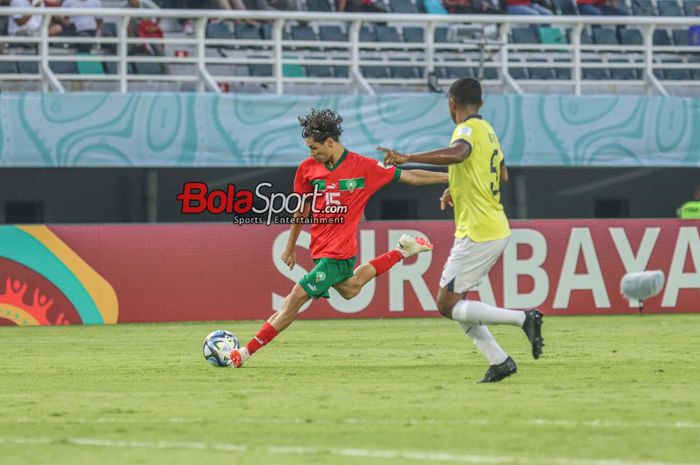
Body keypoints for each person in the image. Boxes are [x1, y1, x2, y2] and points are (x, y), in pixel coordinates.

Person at [229, 108, 449, 368]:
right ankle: (402, 251)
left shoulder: (364, 167)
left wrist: (452, 178)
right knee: (351, 288)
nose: (311, 153)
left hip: (338, 253)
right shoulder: (307, 169)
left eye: (313, 147)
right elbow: (301, 209)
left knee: (294, 299)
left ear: (330, 143)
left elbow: (410, 177)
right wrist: (290, 247)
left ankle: (244, 352)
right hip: (321, 250)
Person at [379, 78, 544, 383]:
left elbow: (458, 154)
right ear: (480, 103)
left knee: (446, 304)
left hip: (479, 230)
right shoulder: (489, 131)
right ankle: (499, 361)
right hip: (490, 225)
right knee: (455, 304)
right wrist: (458, 187)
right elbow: (502, 173)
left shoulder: (466, 130)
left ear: (451, 103)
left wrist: (408, 157)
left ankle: (524, 318)